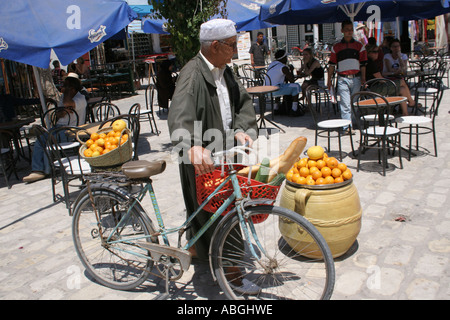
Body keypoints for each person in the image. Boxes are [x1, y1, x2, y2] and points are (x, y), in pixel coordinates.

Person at [167, 19, 257, 272]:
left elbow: (242, 104)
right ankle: (231, 271)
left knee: (211, 209)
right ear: (215, 46)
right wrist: (191, 146)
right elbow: (179, 115)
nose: (235, 51)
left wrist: (241, 129)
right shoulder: (192, 74)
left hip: (224, 152)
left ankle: (197, 248)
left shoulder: (226, 70)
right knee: (219, 211)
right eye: (231, 45)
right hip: (202, 157)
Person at [23, 75, 87, 183]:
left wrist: (67, 95)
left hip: (71, 130)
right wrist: (65, 107)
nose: (62, 88)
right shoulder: (64, 97)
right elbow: (59, 113)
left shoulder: (80, 98)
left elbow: (67, 104)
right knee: (42, 138)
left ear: (72, 89)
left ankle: (40, 170)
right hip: (59, 127)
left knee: (43, 140)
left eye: (65, 86)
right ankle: (42, 169)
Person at [327, 20, 367, 134]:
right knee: (345, 103)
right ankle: (347, 127)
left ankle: (352, 123)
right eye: (347, 30)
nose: (349, 32)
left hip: (356, 78)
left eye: (351, 29)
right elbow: (332, 65)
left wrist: (363, 78)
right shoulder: (336, 47)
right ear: (342, 31)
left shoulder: (359, 46)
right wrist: (328, 80)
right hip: (342, 78)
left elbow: (363, 64)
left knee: (354, 103)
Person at [365, 43, 416, 116]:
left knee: (402, 89)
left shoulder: (369, 62)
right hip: (375, 90)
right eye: (374, 52)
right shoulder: (371, 63)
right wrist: (389, 81)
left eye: (378, 51)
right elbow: (381, 79)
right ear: (368, 53)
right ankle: (411, 102)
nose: (377, 54)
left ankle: (405, 113)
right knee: (401, 82)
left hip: (374, 88)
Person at [265, 49, 302, 116]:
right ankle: (294, 109)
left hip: (266, 91)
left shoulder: (271, 64)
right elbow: (292, 80)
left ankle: (276, 107)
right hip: (274, 91)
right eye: (286, 58)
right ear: (283, 58)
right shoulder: (283, 67)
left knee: (278, 84)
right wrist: (291, 70)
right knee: (296, 86)